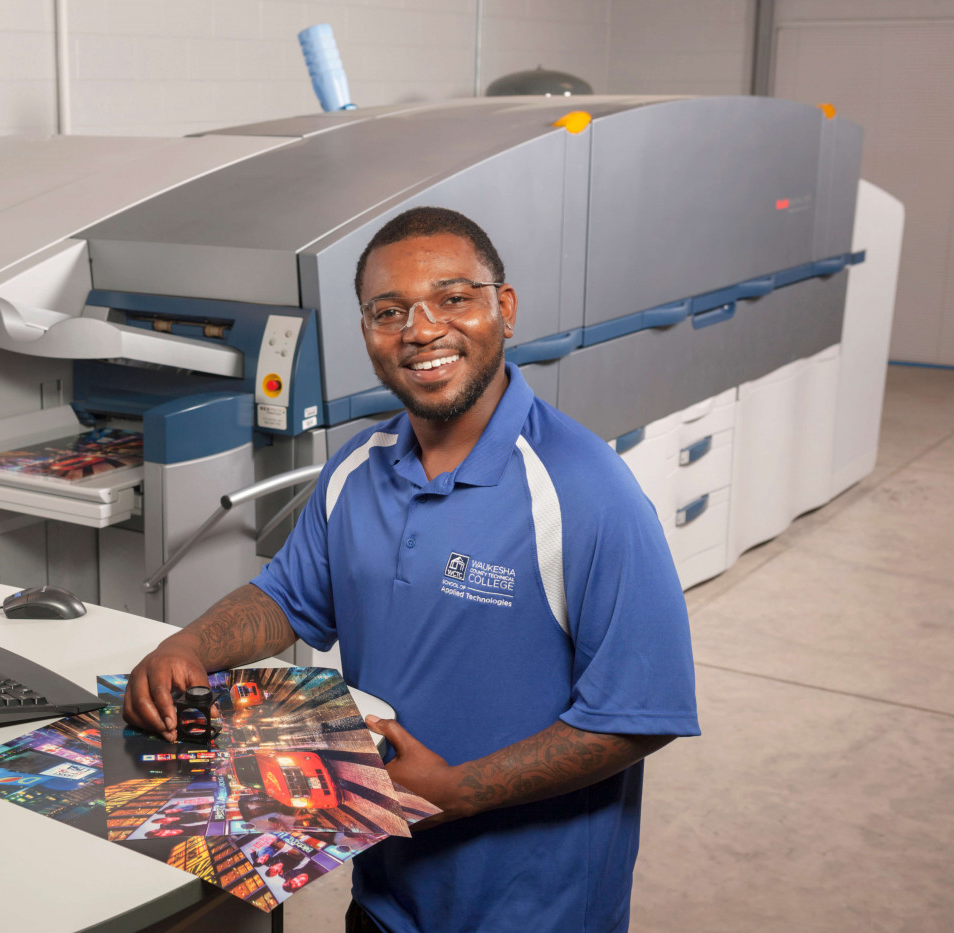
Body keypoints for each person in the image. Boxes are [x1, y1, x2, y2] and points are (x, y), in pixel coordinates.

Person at [123, 206, 699, 932]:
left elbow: (636, 717)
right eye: (388, 311)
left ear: (505, 308)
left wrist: (456, 791)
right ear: (367, 335)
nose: (421, 330)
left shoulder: (585, 489)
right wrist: (189, 646)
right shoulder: (356, 468)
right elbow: (288, 597)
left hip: (533, 912)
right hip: (385, 893)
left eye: (454, 298)